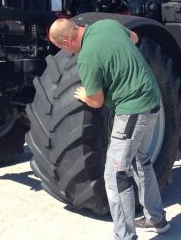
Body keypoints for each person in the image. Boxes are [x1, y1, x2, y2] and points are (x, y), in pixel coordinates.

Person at [49, 18, 170, 238]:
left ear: (67, 42)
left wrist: (86, 95)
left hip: (134, 110)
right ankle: (156, 219)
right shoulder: (107, 24)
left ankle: (125, 235)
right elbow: (134, 38)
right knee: (139, 160)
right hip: (153, 99)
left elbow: (96, 101)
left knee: (115, 175)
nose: (67, 52)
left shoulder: (87, 58)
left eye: (62, 48)